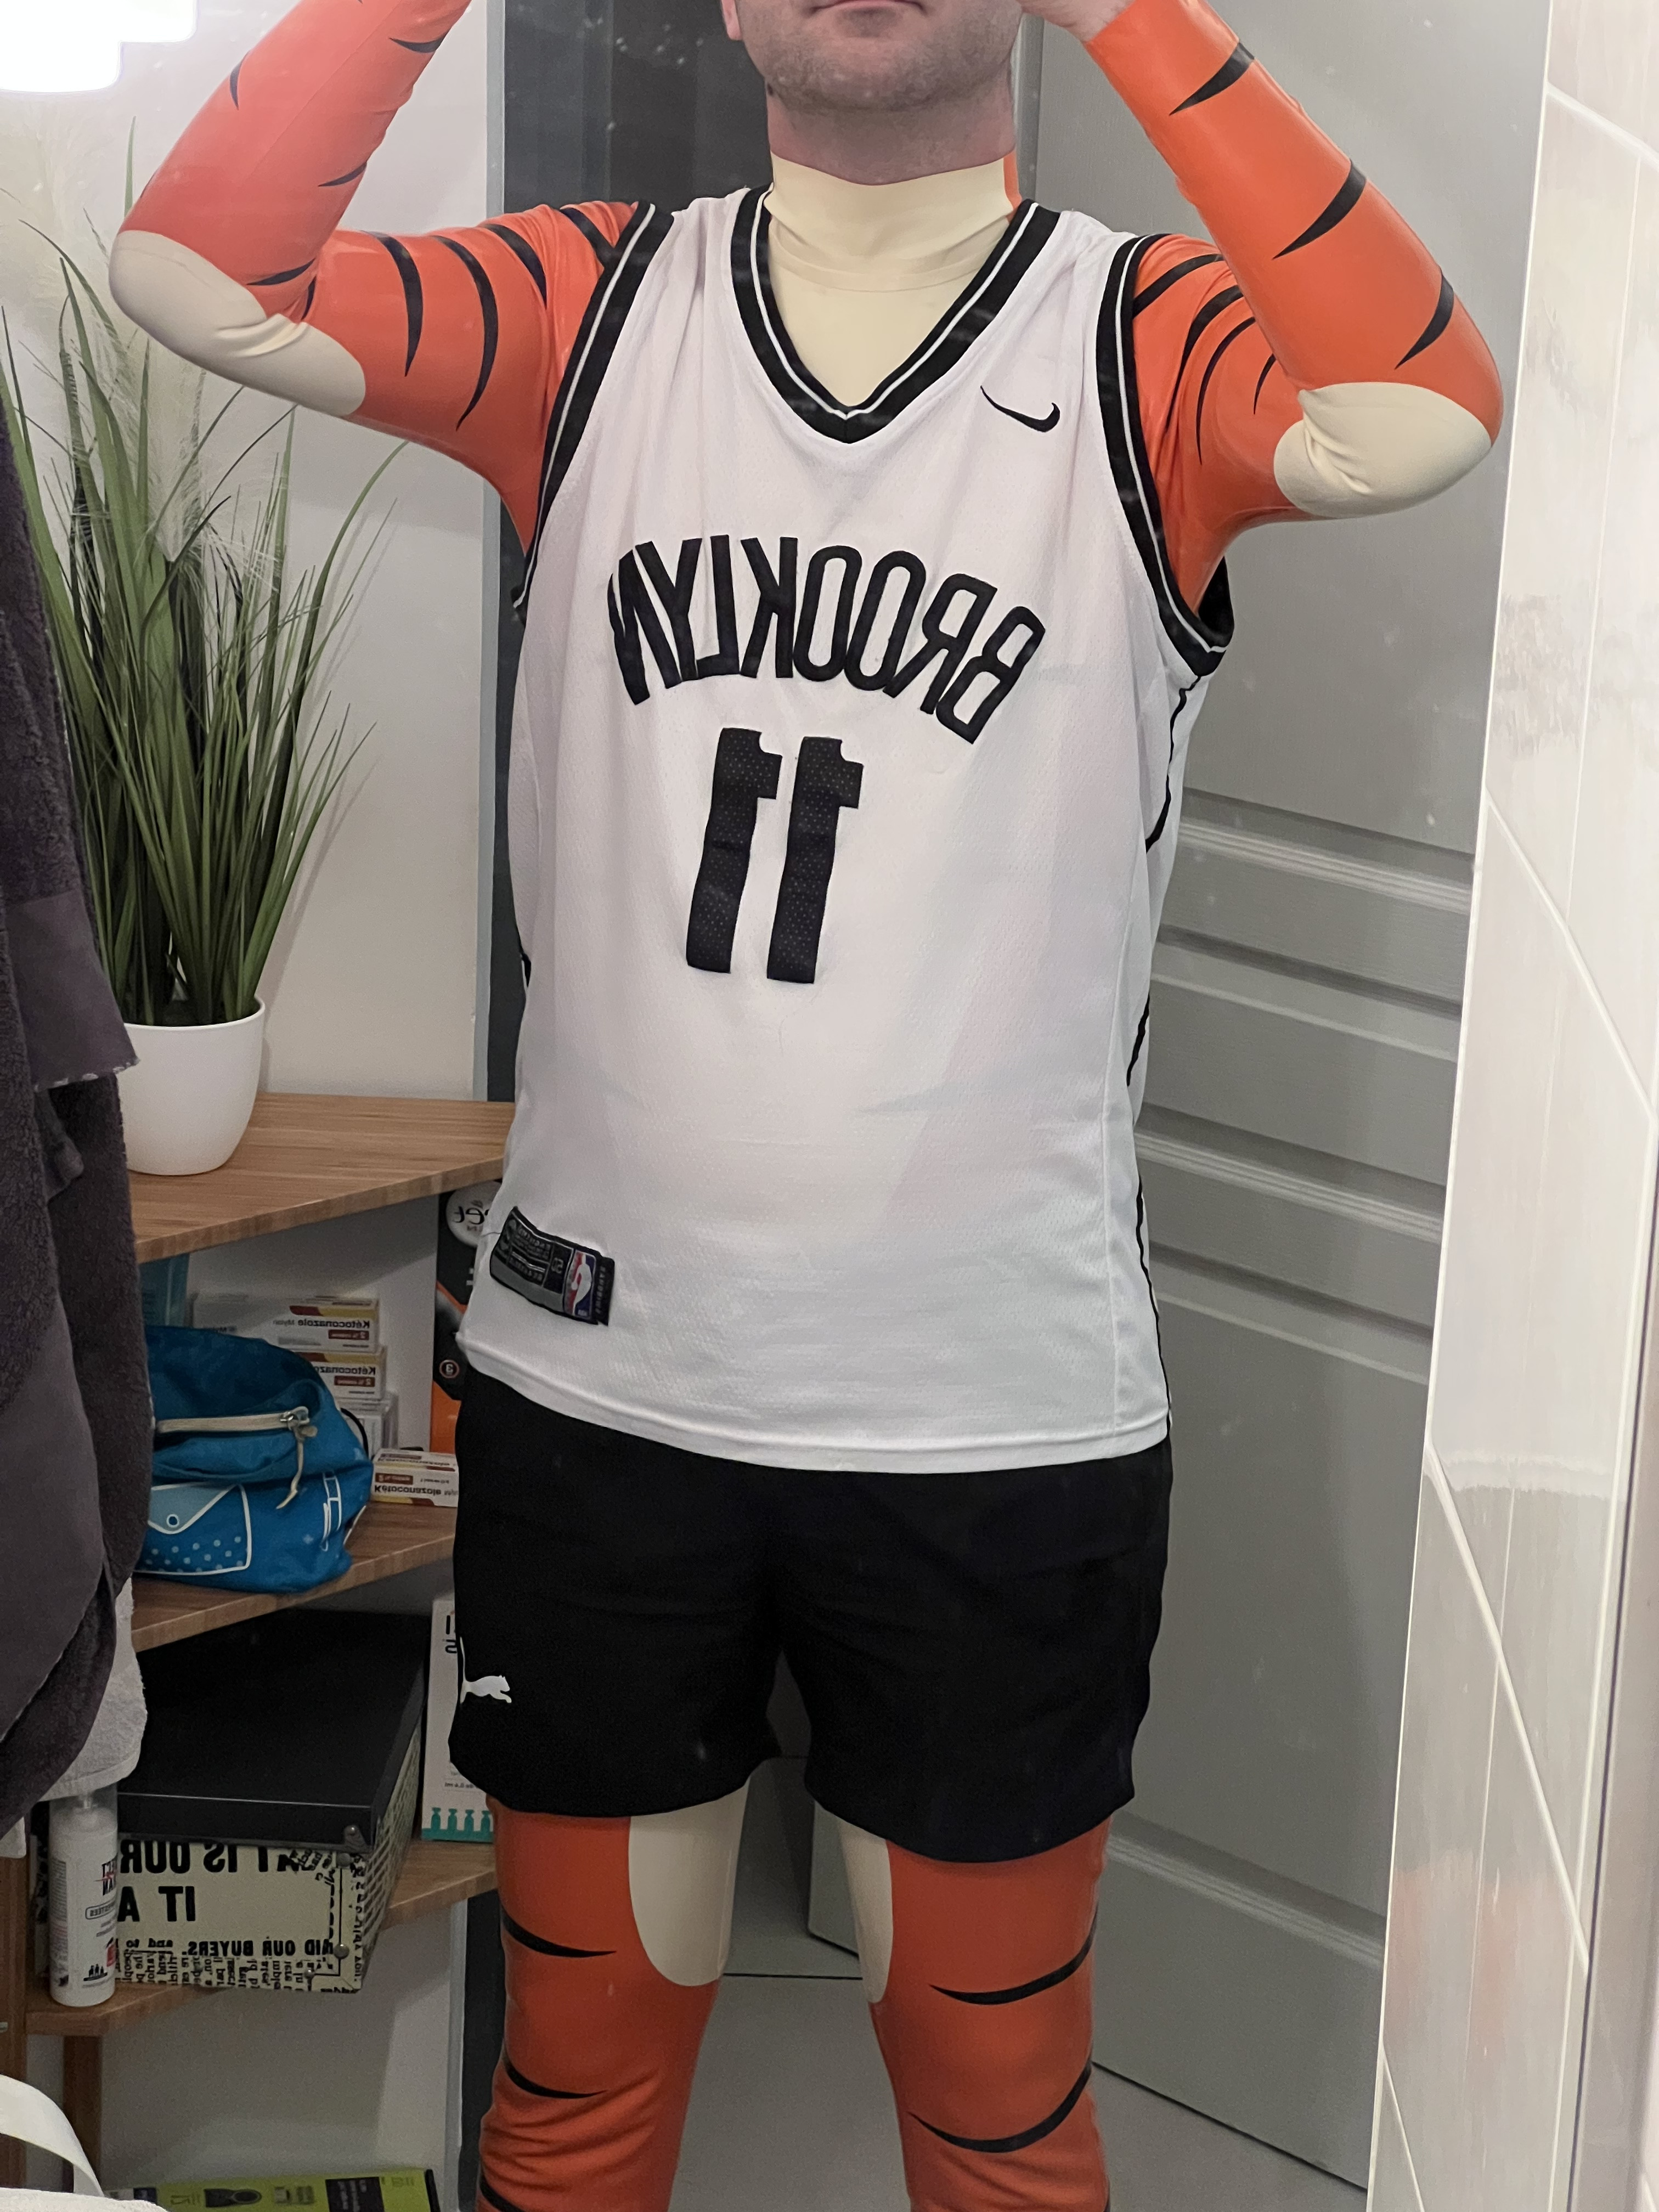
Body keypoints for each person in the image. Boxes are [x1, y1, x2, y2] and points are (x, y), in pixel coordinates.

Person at [113, 0, 1502, 2203]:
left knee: (995, 2107)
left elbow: (1419, 410)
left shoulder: (1136, 336)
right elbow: (197, 276)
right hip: (604, 1387)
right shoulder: (591, 308)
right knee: (574, 2090)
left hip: (997, 1418)